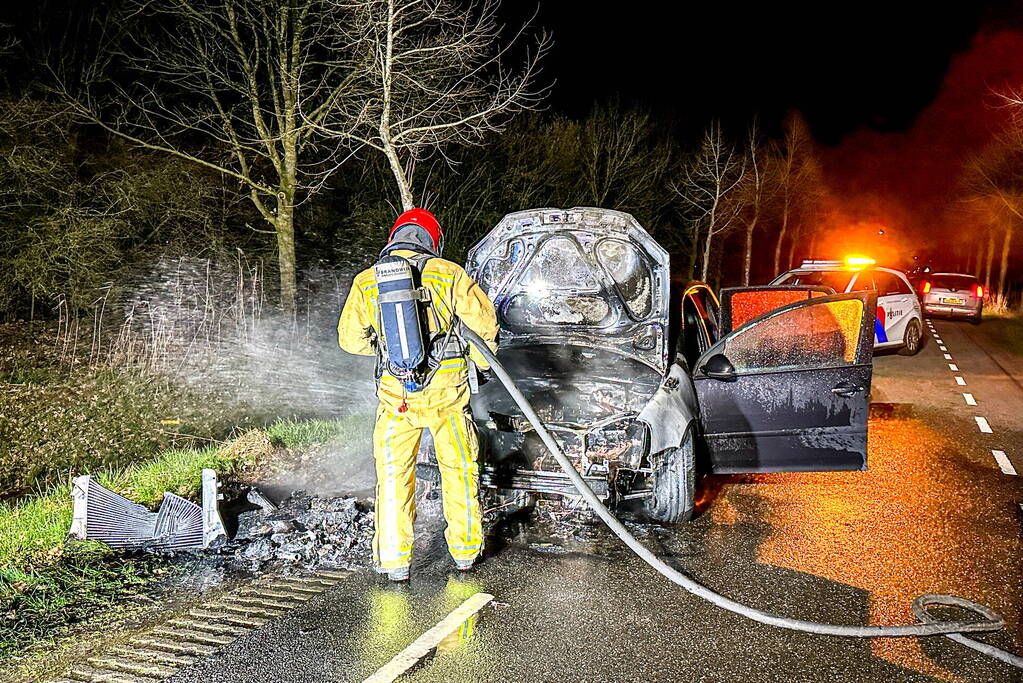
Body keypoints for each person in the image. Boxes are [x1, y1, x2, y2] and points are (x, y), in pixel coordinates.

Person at [337, 208, 498, 582]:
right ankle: (465, 553)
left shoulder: (367, 281)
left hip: (397, 398)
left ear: (394, 237)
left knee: (393, 476)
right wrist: (480, 365)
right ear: (432, 240)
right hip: (447, 396)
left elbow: (349, 340)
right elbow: (486, 327)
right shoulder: (449, 273)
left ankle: (394, 561)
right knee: (459, 471)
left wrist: (387, 351)